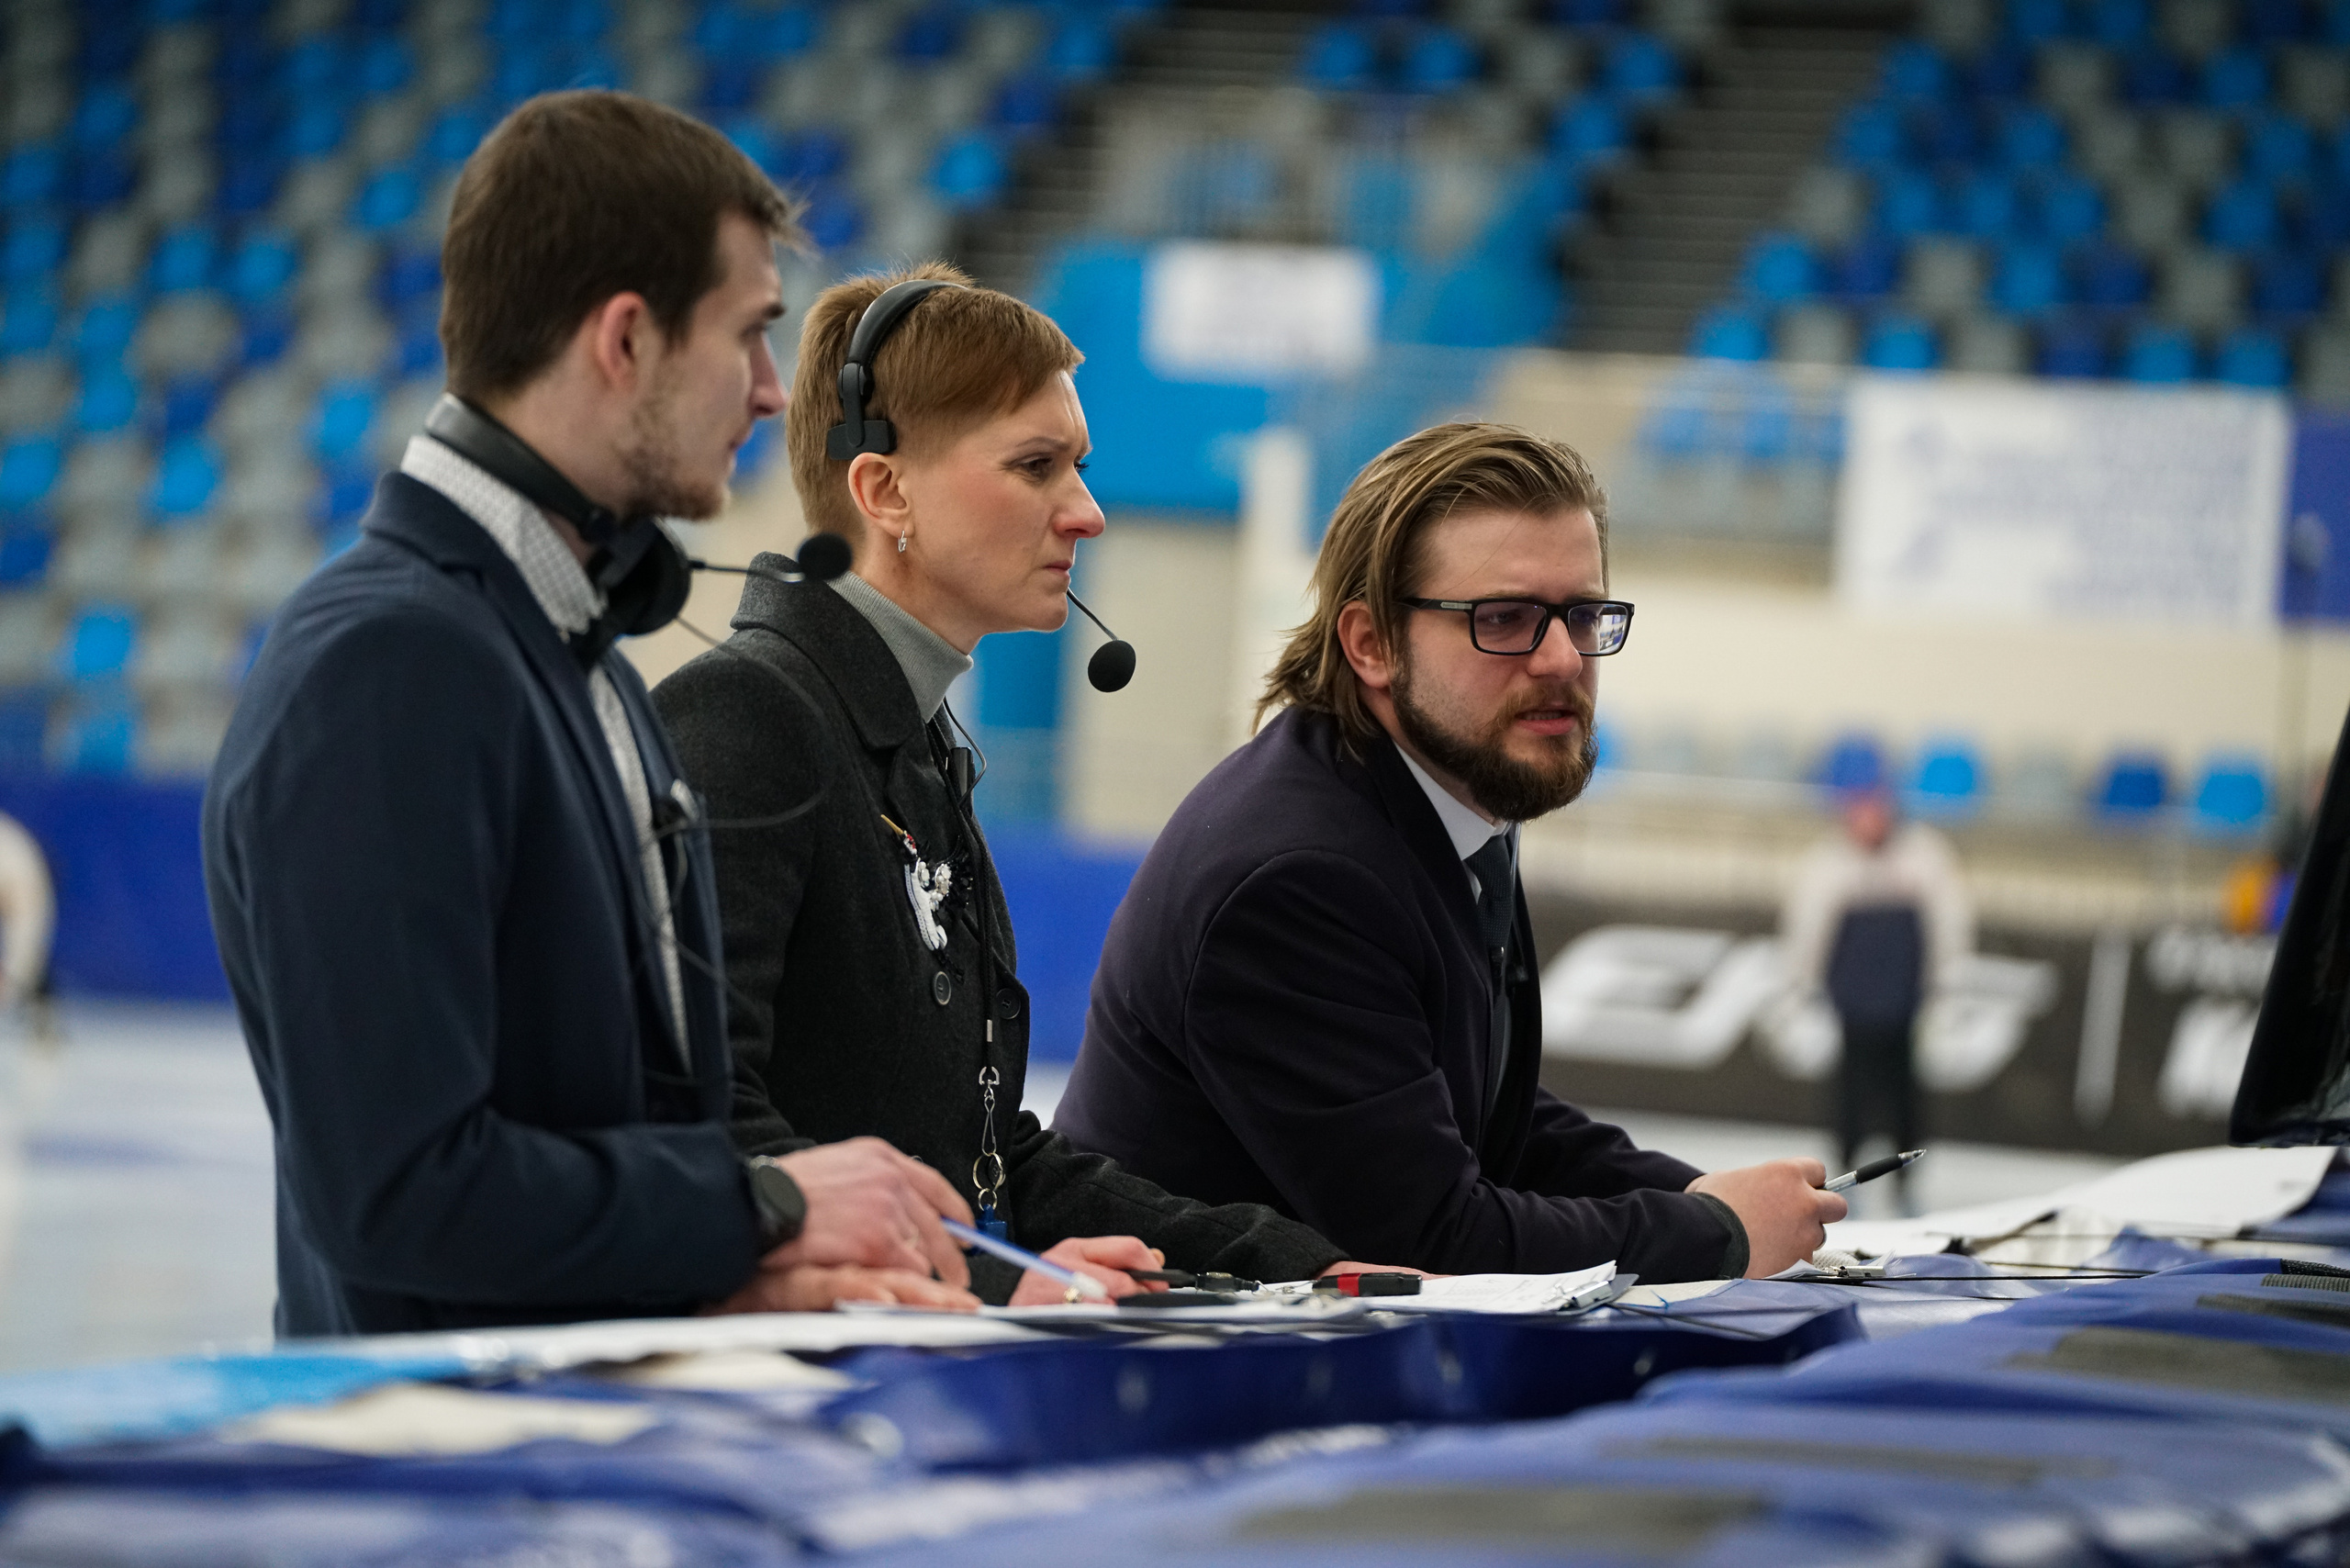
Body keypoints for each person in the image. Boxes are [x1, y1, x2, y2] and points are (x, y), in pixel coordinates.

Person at [203, 92, 976, 1338]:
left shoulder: (579, 655)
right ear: (625, 340)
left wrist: (753, 1262)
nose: (775, 393)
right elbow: (400, 1193)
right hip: (441, 1481)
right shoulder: (391, 664)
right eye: (748, 336)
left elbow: (613, 1132)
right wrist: (765, 1207)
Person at [655, 263, 1391, 1305]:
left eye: (1077, 467)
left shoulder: (905, 743)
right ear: (884, 489)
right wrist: (995, 1284)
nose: (1085, 513)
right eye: (1036, 466)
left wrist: (1298, 1264)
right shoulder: (747, 721)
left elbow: (990, 1155)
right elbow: (707, 1125)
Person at [1056, 422, 1847, 1282]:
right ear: (1370, 645)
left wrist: (1705, 1194)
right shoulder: (1300, 878)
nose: (1560, 658)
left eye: (1583, 615)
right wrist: (1715, 1235)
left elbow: (1491, 1118)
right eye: (1503, 619)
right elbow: (1433, 1243)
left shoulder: (1438, 794)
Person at [1781, 785, 1972, 1206]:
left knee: (1904, 1091)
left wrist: (1946, 985)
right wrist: (1803, 989)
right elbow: (1808, 930)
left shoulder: (1925, 854)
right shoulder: (1828, 862)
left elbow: (1949, 924)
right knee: (1851, 1091)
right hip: (1853, 1003)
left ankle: (1907, 1177)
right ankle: (1846, 1171)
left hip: (1904, 1003)